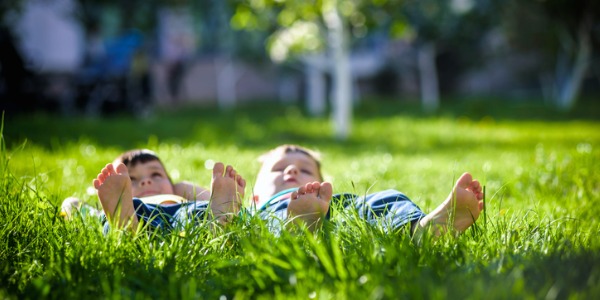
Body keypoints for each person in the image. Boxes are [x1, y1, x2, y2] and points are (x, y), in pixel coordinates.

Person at [252, 144, 484, 238]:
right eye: (279, 169)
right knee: (274, 218)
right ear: (254, 197)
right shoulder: (255, 212)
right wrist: (219, 201)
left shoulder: (336, 201)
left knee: (386, 198)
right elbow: (223, 221)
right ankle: (297, 226)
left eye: (305, 170)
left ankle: (424, 229)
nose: (292, 170)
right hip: (279, 212)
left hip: (333, 210)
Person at [63, 149, 246, 231]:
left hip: (182, 213)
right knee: (109, 220)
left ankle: (218, 217)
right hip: (136, 213)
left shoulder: (178, 191)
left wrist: (227, 199)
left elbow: (208, 198)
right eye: (131, 179)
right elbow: (73, 205)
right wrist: (105, 207)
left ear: (171, 182)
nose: (146, 182)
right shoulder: (127, 204)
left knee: (200, 210)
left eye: (156, 175)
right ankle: (124, 223)